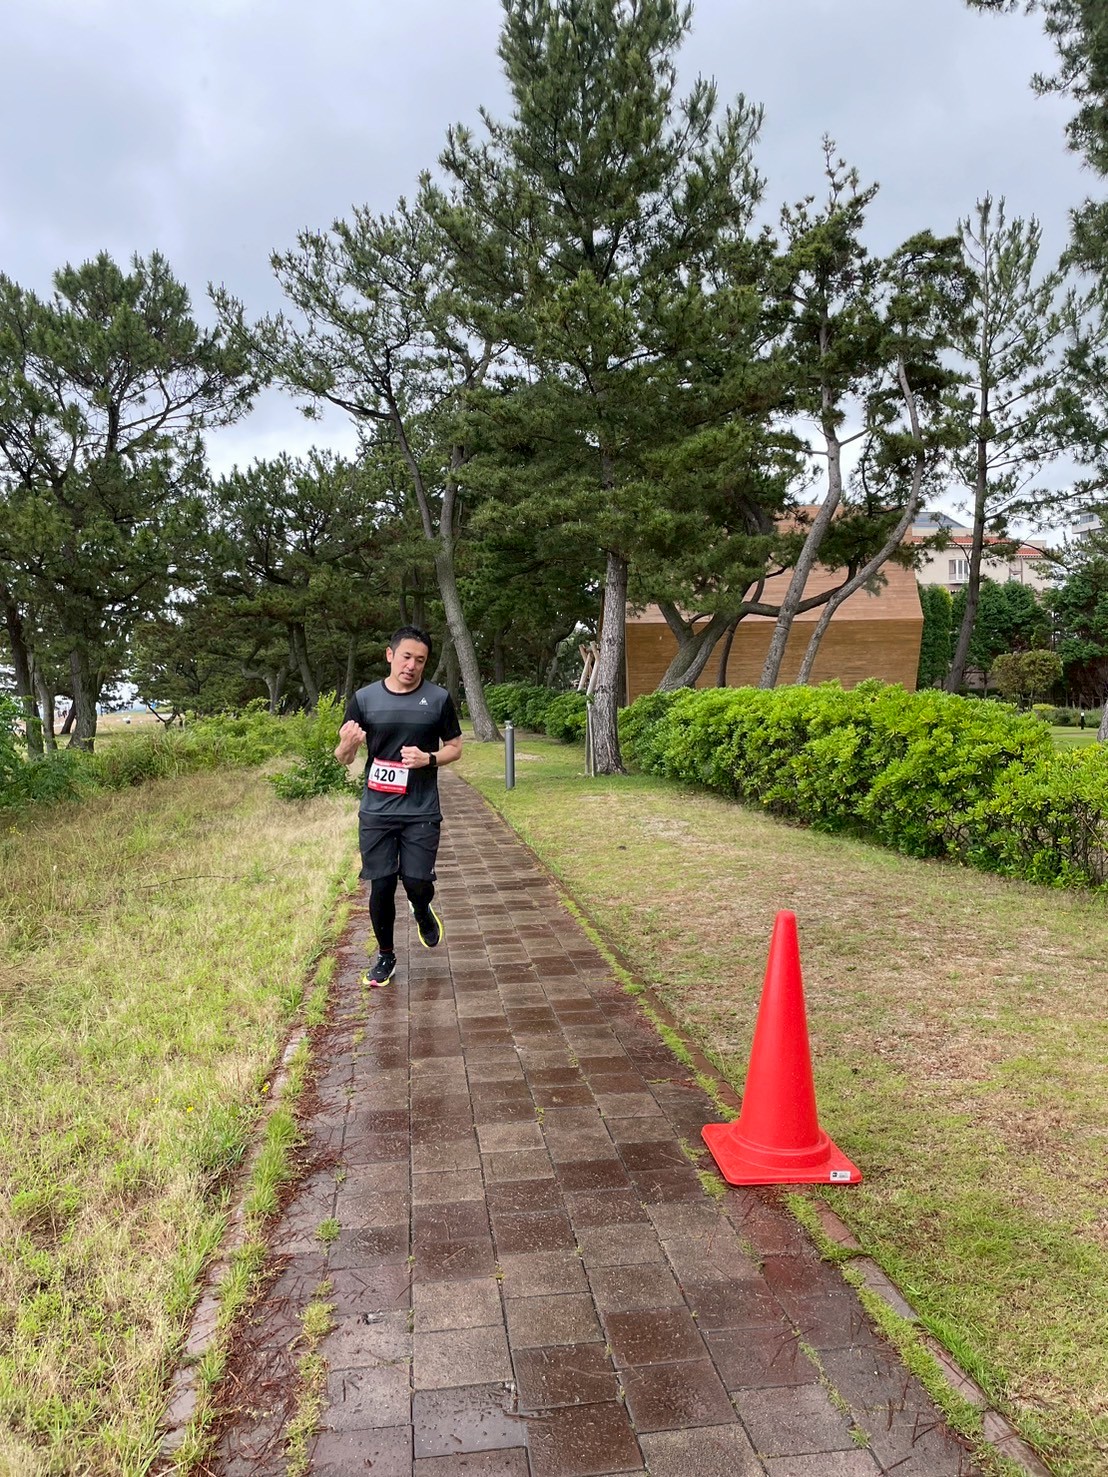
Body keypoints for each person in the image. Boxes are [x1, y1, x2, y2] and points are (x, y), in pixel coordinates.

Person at [334, 626, 463, 988]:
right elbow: (343, 757)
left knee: (417, 881)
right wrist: (347, 745)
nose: (412, 665)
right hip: (377, 810)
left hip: (421, 808)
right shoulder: (364, 699)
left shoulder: (437, 699)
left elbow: (455, 747)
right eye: (406, 657)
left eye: (420, 660)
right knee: (382, 884)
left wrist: (428, 758)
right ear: (390, 655)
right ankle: (386, 956)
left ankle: (421, 908)